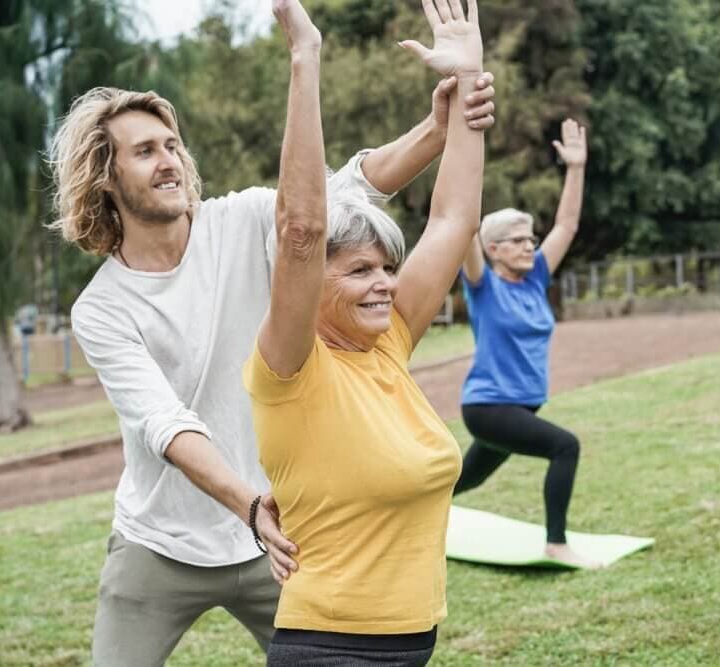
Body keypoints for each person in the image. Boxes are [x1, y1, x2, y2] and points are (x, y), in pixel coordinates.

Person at [48, 17, 496, 667]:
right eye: (145, 151)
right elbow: (165, 423)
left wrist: (441, 126)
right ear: (104, 175)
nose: (169, 159)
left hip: (277, 535)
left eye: (172, 144)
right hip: (164, 541)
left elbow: (356, 185)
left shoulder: (240, 220)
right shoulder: (102, 308)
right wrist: (247, 501)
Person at [243, 0, 485, 663]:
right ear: (309, 286)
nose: (384, 281)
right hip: (330, 647)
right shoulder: (291, 370)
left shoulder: (389, 343)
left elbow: (455, 219)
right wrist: (305, 56)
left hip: (411, 641)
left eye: (387, 266)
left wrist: (469, 83)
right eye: (358, 270)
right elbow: (299, 231)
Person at [453, 118, 597, 568]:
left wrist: (575, 167)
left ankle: (390, 514)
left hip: (520, 407)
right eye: (517, 241)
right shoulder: (482, 285)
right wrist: (465, 150)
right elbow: (462, 225)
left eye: (531, 239)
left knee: (461, 482)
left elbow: (567, 224)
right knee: (564, 446)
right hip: (490, 407)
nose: (528, 247)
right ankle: (556, 542)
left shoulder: (534, 279)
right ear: (492, 248)